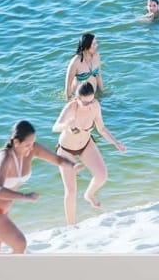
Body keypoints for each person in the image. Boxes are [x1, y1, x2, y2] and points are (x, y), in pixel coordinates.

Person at [0, 120, 74, 255]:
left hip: (1, 211)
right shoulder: (4, 158)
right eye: (27, 145)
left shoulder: (31, 149)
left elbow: (58, 160)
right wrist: (25, 196)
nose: (31, 148)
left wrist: (72, 165)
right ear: (16, 142)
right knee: (20, 244)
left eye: (33, 143)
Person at [52, 81, 126, 224]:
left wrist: (116, 143)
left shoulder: (95, 105)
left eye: (91, 100)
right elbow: (55, 127)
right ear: (77, 98)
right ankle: (71, 225)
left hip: (86, 144)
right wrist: (66, 125)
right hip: (66, 150)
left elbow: (102, 129)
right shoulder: (71, 107)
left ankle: (89, 195)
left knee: (102, 175)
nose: (88, 105)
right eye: (84, 103)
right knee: (71, 191)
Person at [65, 33, 102, 98]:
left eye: (96, 43)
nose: (96, 45)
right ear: (86, 46)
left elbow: (98, 76)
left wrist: (101, 92)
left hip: (94, 94)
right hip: (79, 97)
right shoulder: (75, 62)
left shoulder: (96, 56)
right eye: (93, 44)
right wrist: (69, 100)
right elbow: (68, 85)